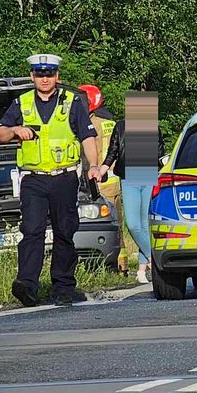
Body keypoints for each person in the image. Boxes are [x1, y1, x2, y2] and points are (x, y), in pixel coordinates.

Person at [0, 54, 101, 307]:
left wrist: (94, 166)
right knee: (32, 231)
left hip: (64, 177)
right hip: (33, 179)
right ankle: (27, 285)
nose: (45, 79)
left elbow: (87, 137)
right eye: (40, 74)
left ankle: (63, 287)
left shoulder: (72, 103)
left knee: (65, 231)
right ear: (32, 76)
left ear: (57, 77)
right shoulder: (22, 103)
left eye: (49, 74)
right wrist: (13, 131)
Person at [97, 119, 163, 284]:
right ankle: (153, 259)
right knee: (133, 225)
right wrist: (102, 169)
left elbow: (160, 152)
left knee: (145, 225)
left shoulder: (153, 126)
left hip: (149, 176)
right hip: (129, 177)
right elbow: (114, 150)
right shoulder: (121, 126)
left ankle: (141, 271)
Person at [79, 84, 125, 269]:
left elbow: (93, 151)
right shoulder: (110, 121)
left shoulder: (93, 123)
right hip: (115, 180)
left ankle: (112, 264)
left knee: (104, 222)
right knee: (117, 223)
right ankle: (122, 264)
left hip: (100, 180)